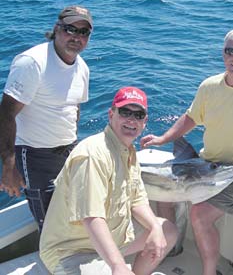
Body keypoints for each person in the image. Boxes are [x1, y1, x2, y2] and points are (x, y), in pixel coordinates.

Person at [141, 28, 233, 275]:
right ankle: (171, 247)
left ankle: (209, 272)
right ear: (223, 54)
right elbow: (190, 118)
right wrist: (162, 138)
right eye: (231, 51)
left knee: (199, 215)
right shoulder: (209, 87)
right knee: (162, 192)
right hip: (206, 166)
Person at [39, 86, 178, 275]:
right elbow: (92, 217)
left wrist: (155, 227)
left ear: (144, 122)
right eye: (125, 112)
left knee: (167, 230)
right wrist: (117, 266)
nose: (131, 119)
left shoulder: (128, 151)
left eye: (138, 115)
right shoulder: (93, 154)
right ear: (111, 114)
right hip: (74, 251)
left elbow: (137, 199)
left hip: (115, 238)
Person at [0, 5, 93, 231]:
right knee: (51, 225)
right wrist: (8, 167)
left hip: (68, 151)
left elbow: (74, 109)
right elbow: (6, 114)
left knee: (74, 212)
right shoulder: (32, 62)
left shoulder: (82, 67)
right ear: (56, 28)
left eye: (83, 32)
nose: (76, 37)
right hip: (34, 155)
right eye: (70, 29)